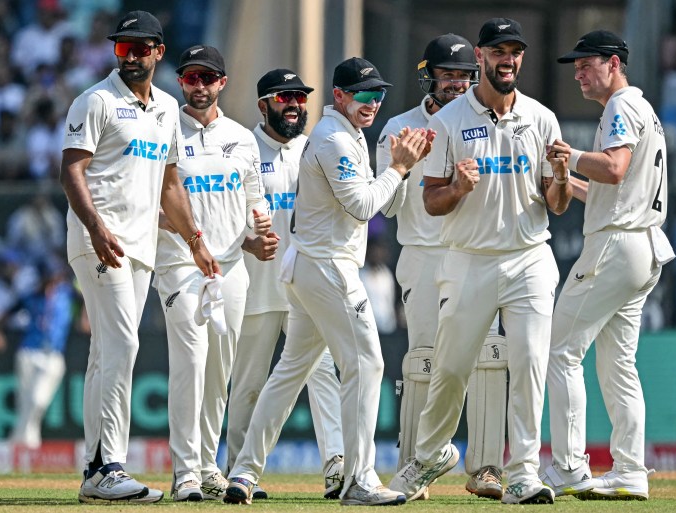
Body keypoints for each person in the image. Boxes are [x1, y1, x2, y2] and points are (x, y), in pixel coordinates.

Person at [224, 57, 431, 507]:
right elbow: (362, 206)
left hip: (311, 265)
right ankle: (359, 478)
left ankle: (242, 471)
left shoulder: (349, 134)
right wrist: (397, 168)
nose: (372, 102)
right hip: (326, 266)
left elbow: (383, 203)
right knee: (368, 363)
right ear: (339, 96)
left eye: (378, 95)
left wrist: (404, 167)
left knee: (289, 372)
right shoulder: (333, 137)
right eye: (363, 94)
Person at [388, 18, 572, 505]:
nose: (507, 60)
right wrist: (458, 188)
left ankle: (524, 473)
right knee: (450, 370)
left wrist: (558, 177)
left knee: (530, 363)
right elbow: (430, 201)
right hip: (468, 260)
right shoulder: (447, 123)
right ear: (481, 56)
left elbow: (554, 204)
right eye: (498, 51)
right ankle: (428, 457)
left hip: (530, 256)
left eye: (514, 52)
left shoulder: (541, 118)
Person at [59, 11, 218, 504]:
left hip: (142, 248)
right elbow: (71, 171)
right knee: (123, 344)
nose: (130, 56)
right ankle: (110, 465)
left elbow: (170, 184)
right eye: (122, 48)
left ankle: (92, 469)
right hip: (99, 242)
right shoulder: (96, 101)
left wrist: (194, 239)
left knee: (106, 353)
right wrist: (96, 228)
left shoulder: (168, 108)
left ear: (158, 52)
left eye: (139, 48)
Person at [541, 30, 674, 501]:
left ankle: (571, 466)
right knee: (618, 364)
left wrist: (568, 154)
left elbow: (615, 169)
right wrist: (567, 177)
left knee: (560, 351)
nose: (577, 72)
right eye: (574, 65)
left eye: (586, 63)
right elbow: (609, 189)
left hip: (617, 246)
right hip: (642, 245)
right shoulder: (642, 109)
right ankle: (631, 470)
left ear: (614, 63)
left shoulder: (620, 106)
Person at [376, 33, 507, 500]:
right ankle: (416, 464)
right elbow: (386, 209)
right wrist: (402, 165)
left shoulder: (486, 121)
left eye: (464, 76)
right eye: (447, 75)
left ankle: (486, 468)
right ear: (427, 76)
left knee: (491, 357)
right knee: (426, 361)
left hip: (475, 253)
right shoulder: (399, 126)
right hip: (424, 255)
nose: (456, 83)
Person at [154, 44, 272, 502]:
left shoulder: (242, 138)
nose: (199, 86)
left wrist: (258, 233)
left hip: (231, 268)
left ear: (222, 82)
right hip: (179, 264)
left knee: (219, 370)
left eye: (207, 78)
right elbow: (154, 203)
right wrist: (190, 238)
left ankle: (206, 465)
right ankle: (184, 472)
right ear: (181, 82)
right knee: (191, 360)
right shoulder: (165, 129)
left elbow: (251, 205)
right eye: (191, 78)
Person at [225, 68, 345, 501]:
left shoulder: (314, 148)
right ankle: (240, 472)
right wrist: (247, 239)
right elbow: (224, 211)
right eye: (284, 99)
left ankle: (338, 467)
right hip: (258, 285)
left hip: (306, 286)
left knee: (323, 376)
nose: (294, 106)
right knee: (249, 385)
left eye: (299, 98)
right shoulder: (241, 146)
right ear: (263, 105)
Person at [0, 254, 75, 450]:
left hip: (54, 353)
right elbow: (4, 314)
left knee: (39, 399)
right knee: (25, 402)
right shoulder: (30, 295)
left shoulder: (67, 293)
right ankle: (28, 445)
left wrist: (86, 317)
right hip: (29, 351)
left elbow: (88, 300)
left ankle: (19, 441)